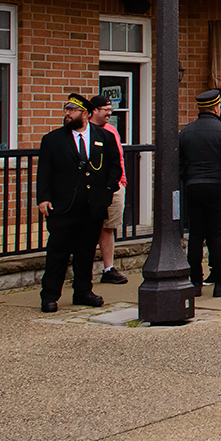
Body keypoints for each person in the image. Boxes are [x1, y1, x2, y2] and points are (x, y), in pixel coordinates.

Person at [36, 93, 121, 313]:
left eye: (71, 110)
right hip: (64, 205)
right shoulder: (53, 140)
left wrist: (108, 190)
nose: (67, 114)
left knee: (85, 251)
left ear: (85, 113)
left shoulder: (104, 137)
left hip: (92, 205)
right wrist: (43, 198)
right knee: (58, 252)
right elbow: (44, 172)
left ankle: (83, 291)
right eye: (66, 110)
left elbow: (114, 167)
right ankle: (50, 295)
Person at [179, 89, 221, 298]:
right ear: (217, 107)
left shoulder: (186, 132)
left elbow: (179, 163)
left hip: (194, 186)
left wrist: (188, 179)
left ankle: (195, 282)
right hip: (217, 186)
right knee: (218, 235)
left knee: (196, 235)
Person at [88, 94, 128, 285]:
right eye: (106, 110)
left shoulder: (111, 131)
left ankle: (108, 268)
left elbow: (117, 159)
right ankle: (84, 270)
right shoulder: (86, 131)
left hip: (115, 185)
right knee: (88, 227)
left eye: (110, 110)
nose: (109, 113)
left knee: (108, 227)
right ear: (94, 111)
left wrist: (121, 181)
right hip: (92, 187)